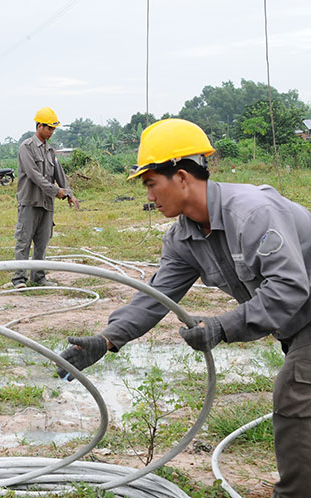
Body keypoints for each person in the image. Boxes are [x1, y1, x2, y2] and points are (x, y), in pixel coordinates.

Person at [57, 118, 311, 497]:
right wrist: (107, 340)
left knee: (295, 394)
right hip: (296, 327)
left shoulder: (252, 213)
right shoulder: (184, 237)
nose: (150, 197)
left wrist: (223, 326)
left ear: (181, 177)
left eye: (150, 184)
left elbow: (289, 288)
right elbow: (156, 297)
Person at [10, 107, 80, 289]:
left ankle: (38, 277)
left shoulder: (50, 151)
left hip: (46, 204)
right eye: (49, 128)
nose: (51, 132)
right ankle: (19, 279)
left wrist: (69, 194)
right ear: (39, 126)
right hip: (30, 201)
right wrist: (55, 191)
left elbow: (60, 174)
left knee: (42, 242)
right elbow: (34, 175)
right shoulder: (26, 148)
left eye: (53, 129)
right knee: (24, 241)